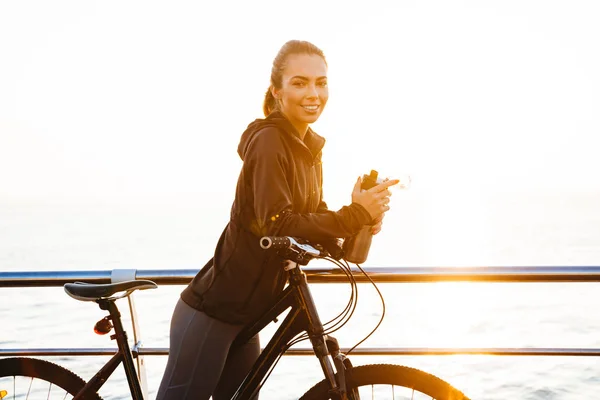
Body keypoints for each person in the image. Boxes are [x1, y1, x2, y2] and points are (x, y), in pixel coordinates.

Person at [155, 39, 399, 400]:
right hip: (215, 310)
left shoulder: (309, 149)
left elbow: (318, 231)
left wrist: (363, 220)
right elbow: (278, 225)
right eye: (300, 83)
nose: (313, 92)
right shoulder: (269, 141)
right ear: (277, 91)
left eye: (321, 82)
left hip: (248, 315)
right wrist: (352, 215)